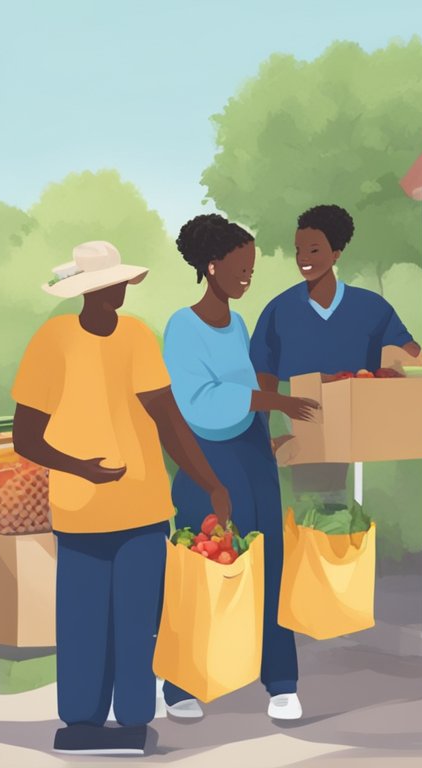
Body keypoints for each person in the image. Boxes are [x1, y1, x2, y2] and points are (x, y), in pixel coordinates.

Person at [12, 241, 230, 756]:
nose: (121, 290)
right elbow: (26, 435)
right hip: (82, 513)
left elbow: (168, 419)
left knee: (136, 623)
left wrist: (211, 482)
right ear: (89, 290)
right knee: (84, 622)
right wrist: (78, 468)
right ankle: (82, 724)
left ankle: (133, 720)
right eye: (111, 283)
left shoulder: (137, 337)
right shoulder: (54, 341)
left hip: (144, 510)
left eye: (121, 282)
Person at [159, 215, 321, 722]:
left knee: (267, 561)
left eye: (252, 269)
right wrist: (270, 399)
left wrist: (268, 436)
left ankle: (280, 680)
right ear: (211, 267)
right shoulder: (182, 327)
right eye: (241, 269)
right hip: (205, 457)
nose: (249, 278)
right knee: (204, 563)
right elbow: (197, 402)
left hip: (250, 452)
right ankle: (182, 684)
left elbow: (240, 399)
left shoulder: (239, 324)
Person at [251, 204, 421, 499]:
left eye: (314, 250)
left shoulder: (370, 307)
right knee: (318, 492)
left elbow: (408, 351)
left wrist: (402, 361)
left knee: (358, 492)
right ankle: (322, 534)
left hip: (362, 409)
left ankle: (344, 534)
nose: (303, 259)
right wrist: (262, 430)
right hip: (303, 408)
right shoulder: (280, 310)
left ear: (336, 253)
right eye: (298, 250)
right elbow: (262, 370)